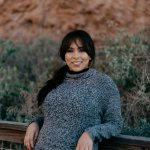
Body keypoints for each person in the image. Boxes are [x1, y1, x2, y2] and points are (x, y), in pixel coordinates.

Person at [24, 29, 123, 150]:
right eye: (70, 51)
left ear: (90, 55)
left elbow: (115, 124)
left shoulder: (103, 83)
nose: (76, 56)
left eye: (82, 50)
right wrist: (36, 123)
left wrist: (90, 134)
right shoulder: (57, 81)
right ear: (64, 56)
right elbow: (55, 116)